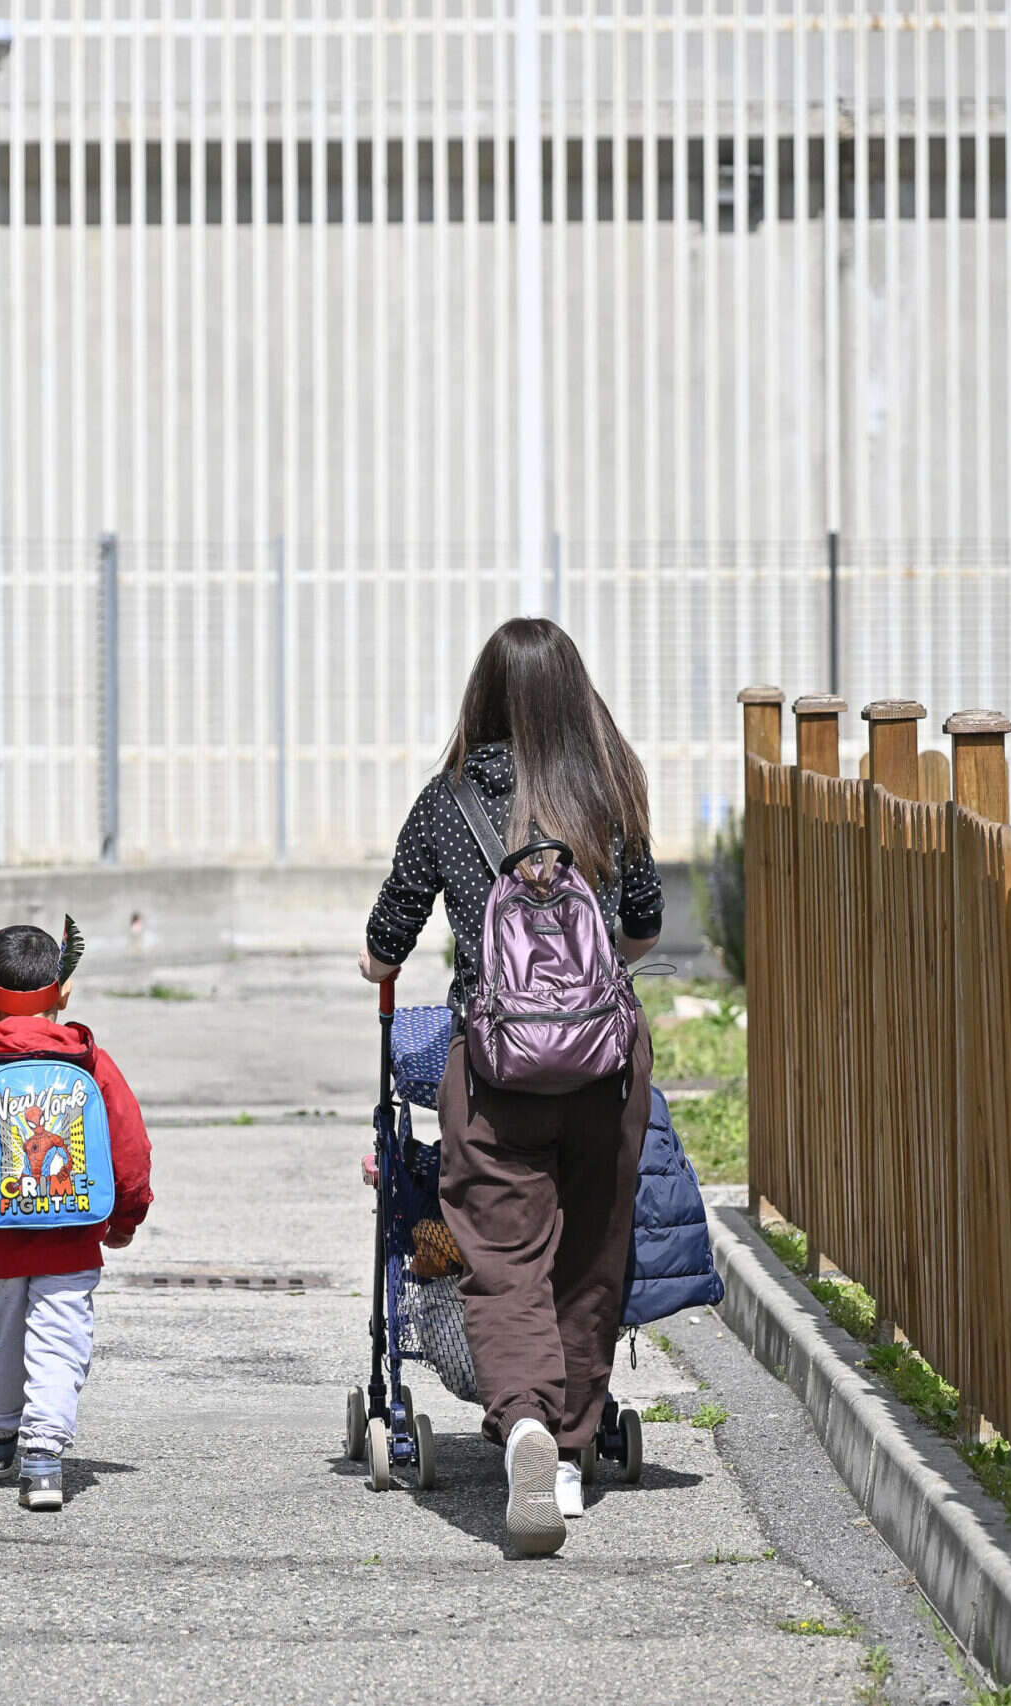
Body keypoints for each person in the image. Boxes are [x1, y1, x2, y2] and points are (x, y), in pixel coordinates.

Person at [360, 618, 661, 1558]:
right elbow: (643, 928)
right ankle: (570, 1455)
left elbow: (385, 942)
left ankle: (524, 1424)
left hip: (494, 1070)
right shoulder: (611, 789)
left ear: (483, 695)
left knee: (504, 1254)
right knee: (590, 1254)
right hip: (606, 1067)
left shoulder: (448, 802)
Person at [0, 922, 154, 1512]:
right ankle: (43, 1461)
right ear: (63, 993)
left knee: (2, 1342)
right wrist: (125, 1219)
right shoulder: (91, 1060)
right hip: (72, 1238)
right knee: (61, 1343)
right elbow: (130, 1150)